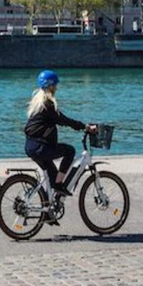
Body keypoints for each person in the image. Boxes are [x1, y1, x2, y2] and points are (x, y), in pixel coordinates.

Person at [24, 70, 95, 200]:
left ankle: (48, 212)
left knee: (53, 175)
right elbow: (63, 120)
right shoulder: (48, 104)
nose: (56, 88)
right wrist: (85, 127)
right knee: (69, 151)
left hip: (31, 146)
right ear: (50, 86)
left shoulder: (37, 104)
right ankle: (59, 185)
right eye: (55, 85)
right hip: (41, 147)